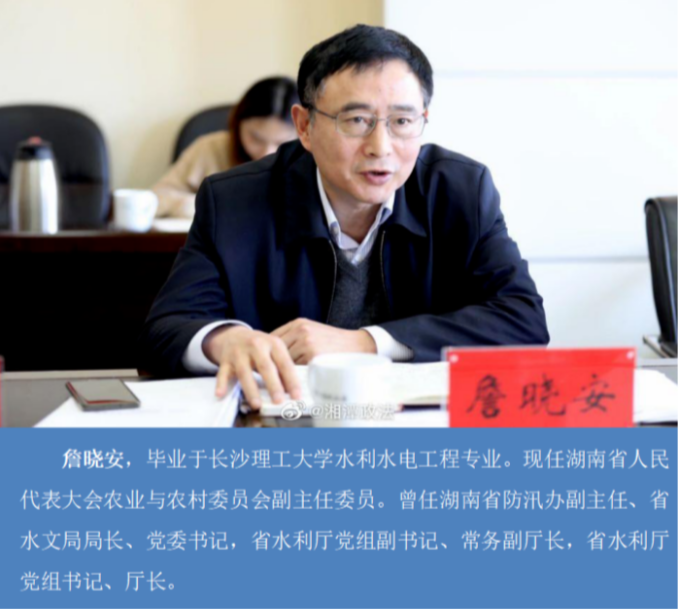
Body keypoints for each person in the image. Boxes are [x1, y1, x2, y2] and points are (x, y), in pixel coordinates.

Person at [139, 24, 549, 407]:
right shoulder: (234, 200)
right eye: (356, 120)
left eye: (402, 121)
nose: (381, 146)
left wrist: (365, 343)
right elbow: (165, 329)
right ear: (304, 127)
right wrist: (224, 340)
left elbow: (523, 320)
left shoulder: (460, 192)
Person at [152, 76, 299, 218]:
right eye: (256, 138)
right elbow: (157, 198)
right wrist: (197, 205)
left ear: (302, 132)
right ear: (238, 122)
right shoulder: (209, 148)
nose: (267, 152)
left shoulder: (307, 158)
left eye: (281, 143)